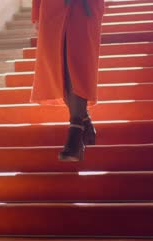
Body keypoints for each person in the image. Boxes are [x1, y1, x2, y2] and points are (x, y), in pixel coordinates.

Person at [31, 0, 105, 162]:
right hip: (51, 8)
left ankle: (75, 133)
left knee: (78, 68)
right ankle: (84, 122)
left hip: (84, 8)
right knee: (60, 70)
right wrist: (36, 12)